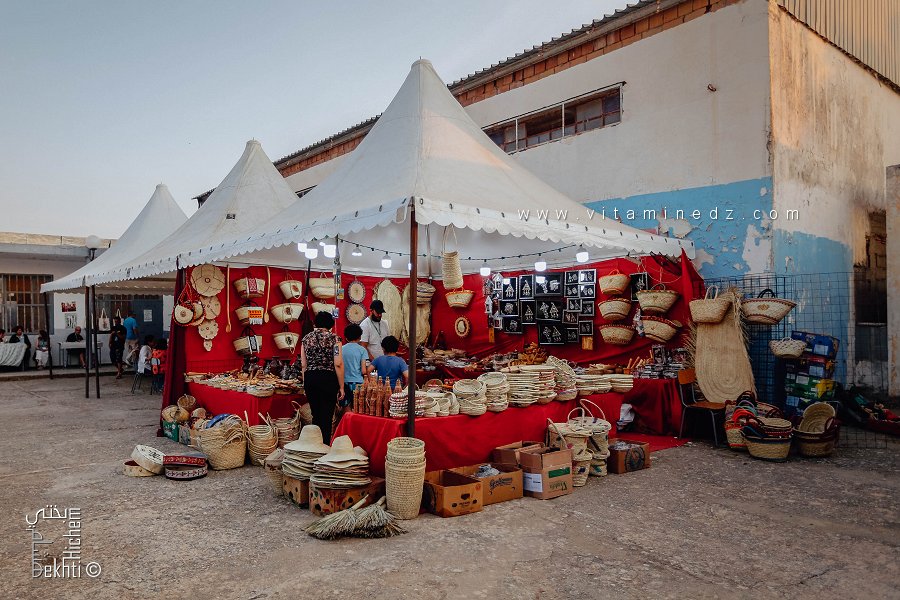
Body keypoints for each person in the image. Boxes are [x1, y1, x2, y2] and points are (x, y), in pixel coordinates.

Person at [300, 311, 345, 442]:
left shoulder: (306, 339)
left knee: (315, 415)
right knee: (327, 415)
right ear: (330, 324)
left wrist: (305, 383)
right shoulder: (335, 339)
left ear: (316, 323)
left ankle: (314, 444)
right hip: (328, 379)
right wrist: (341, 386)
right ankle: (324, 446)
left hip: (310, 378)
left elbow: (303, 364)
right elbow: (338, 363)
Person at [341, 324, 371, 407]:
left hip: (344, 383)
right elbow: (363, 370)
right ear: (360, 337)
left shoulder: (341, 349)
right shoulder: (362, 350)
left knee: (346, 407)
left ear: (346, 337)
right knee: (358, 407)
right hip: (358, 383)